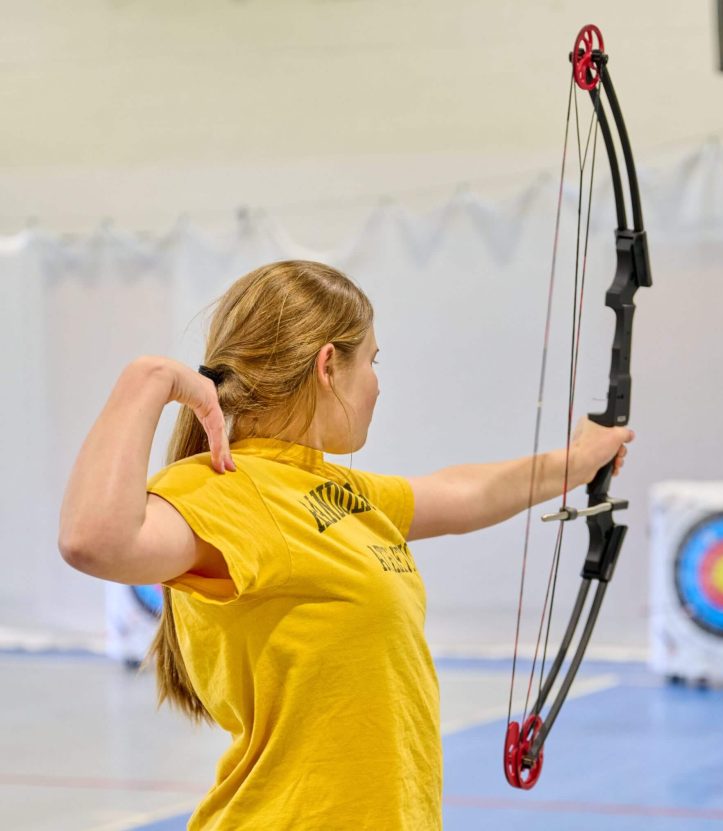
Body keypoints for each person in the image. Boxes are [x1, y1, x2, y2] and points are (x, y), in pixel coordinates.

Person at [58, 260, 633, 830]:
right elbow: (93, 541)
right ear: (329, 365)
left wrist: (574, 463)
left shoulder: (337, 490)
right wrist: (147, 380)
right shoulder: (229, 488)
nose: (379, 381)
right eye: (374, 360)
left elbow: (460, 494)